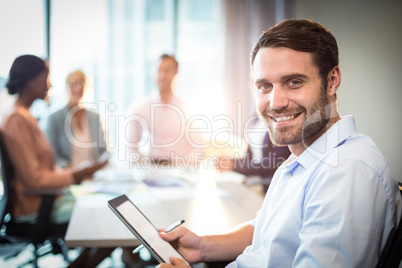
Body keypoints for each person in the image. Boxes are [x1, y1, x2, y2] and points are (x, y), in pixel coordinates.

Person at [156, 19, 402, 268]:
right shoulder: (302, 158)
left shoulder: (346, 171)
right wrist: (203, 247)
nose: (275, 102)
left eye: (293, 82)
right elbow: (272, 231)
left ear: (332, 80)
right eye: (264, 86)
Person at [0, 55, 106, 224]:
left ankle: (89, 252)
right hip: (38, 206)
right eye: (46, 78)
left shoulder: (25, 117)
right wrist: (74, 174)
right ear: (31, 81)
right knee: (109, 213)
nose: (49, 84)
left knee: (111, 209)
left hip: (52, 198)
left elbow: (44, 169)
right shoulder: (16, 120)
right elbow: (34, 179)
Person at [124, 54, 202, 166]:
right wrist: (140, 166)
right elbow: (130, 149)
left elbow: (198, 149)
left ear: (176, 73)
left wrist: (182, 165)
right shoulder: (139, 108)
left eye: (167, 70)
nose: (162, 75)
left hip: (180, 173)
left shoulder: (188, 110)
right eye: (159, 70)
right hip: (148, 172)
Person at [44, 70, 108, 168]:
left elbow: (104, 151)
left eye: (80, 83)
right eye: (72, 84)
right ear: (66, 87)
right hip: (67, 176)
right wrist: (73, 171)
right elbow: (52, 155)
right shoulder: (54, 118)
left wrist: (95, 168)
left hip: (93, 176)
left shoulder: (96, 117)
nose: (77, 88)